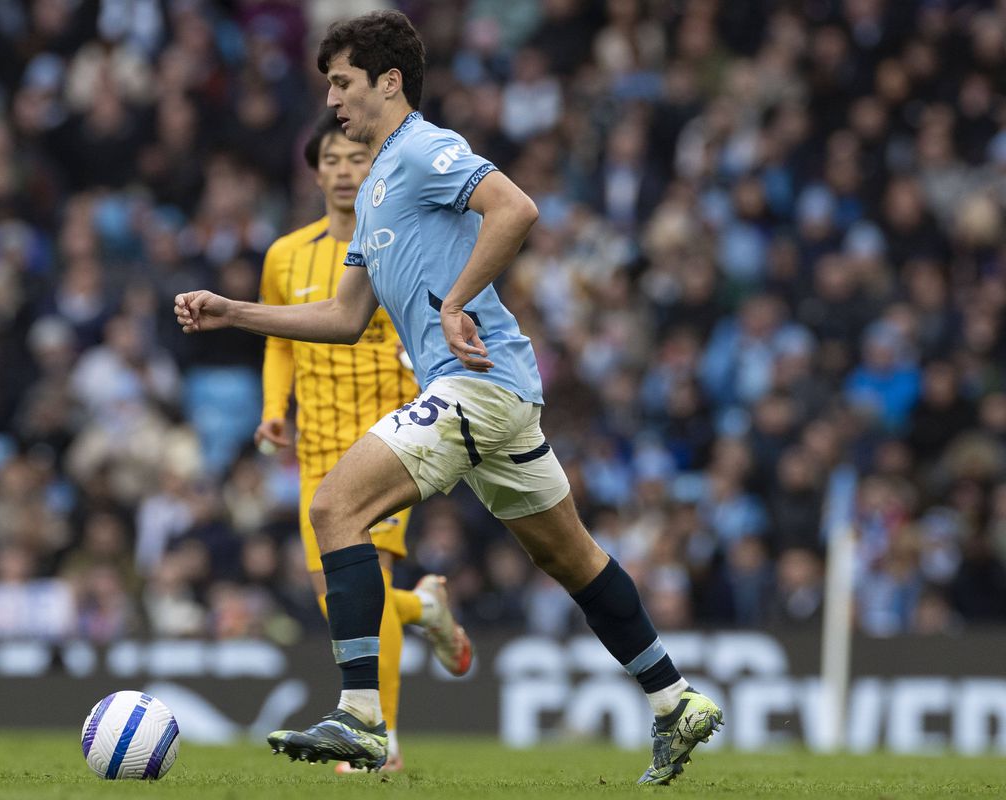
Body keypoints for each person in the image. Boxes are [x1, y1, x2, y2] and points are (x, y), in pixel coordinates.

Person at [174, 10, 722, 785]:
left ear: (388, 82)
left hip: (478, 384)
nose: (332, 100)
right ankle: (675, 701)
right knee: (569, 557)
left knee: (334, 509)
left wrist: (457, 299)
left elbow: (516, 208)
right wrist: (234, 312)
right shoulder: (373, 192)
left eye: (342, 82)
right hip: (492, 395)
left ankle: (362, 716)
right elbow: (342, 315)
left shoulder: (425, 148)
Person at [254, 110, 473, 773]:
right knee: (338, 598)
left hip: (386, 438)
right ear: (316, 171)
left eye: (357, 157)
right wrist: (273, 410)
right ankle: (425, 607)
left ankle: (382, 741)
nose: (346, 170)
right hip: (317, 446)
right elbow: (280, 339)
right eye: (334, 160)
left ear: (375, 167)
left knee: (367, 576)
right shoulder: (284, 256)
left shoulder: (398, 243)